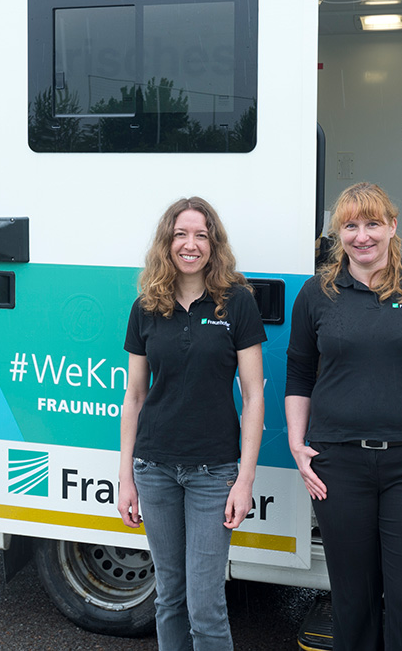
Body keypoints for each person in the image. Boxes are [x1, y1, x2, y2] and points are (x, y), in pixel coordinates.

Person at [285, 182, 402, 651]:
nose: (361, 236)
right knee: (353, 599)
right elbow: (299, 372)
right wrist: (297, 444)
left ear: (392, 226)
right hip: (339, 465)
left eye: (372, 224)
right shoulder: (316, 294)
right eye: (350, 226)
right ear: (338, 233)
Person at [117, 197, 266, 651]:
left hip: (213, 473)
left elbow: (255, 394)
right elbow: (136, 395)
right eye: (181, 234)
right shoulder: (147, 306)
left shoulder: (236, 303)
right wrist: (126, 477)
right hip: (155, 468)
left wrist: (244, 479)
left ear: (213, 244)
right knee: (169, 598)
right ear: (167, 242)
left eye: (201, 235)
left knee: (205, 605)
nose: (190, 244)